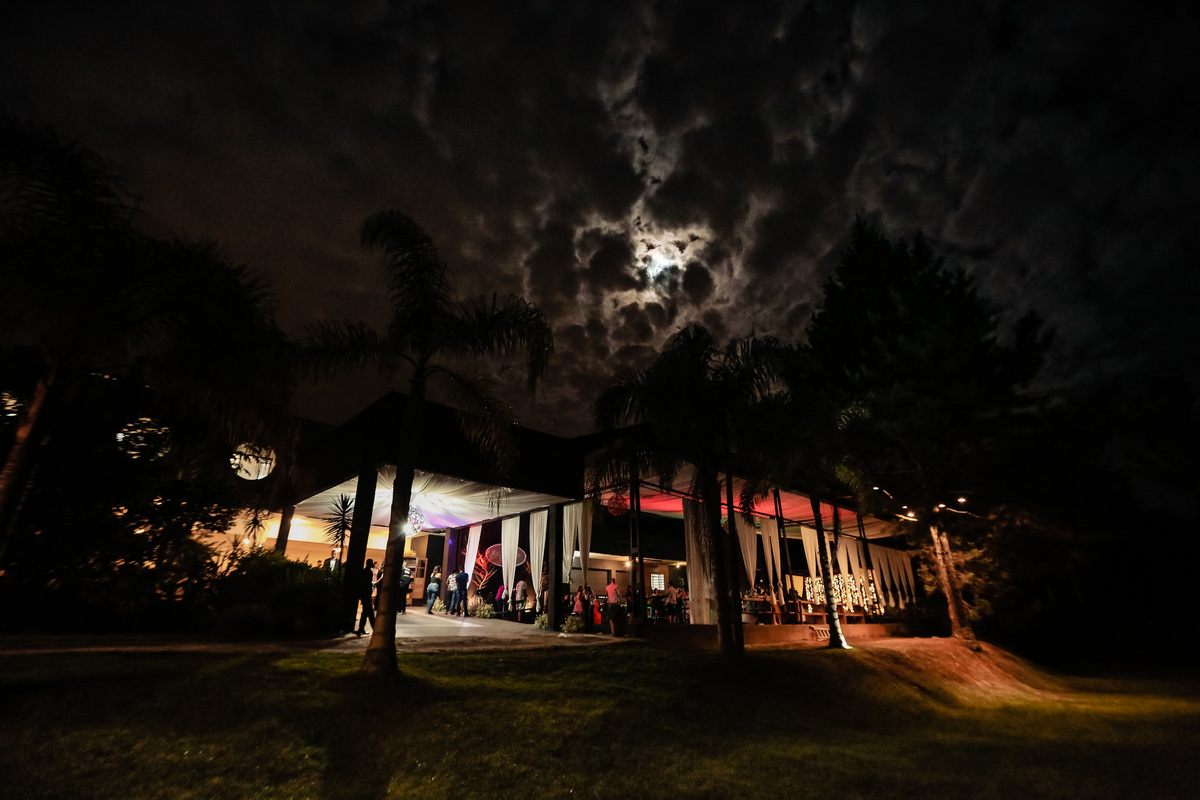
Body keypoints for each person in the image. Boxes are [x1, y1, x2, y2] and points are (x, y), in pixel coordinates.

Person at [355, 559, 376, 636]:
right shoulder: (369, 572)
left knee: (366, 612)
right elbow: (368, 584)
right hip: (367, 594)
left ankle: (361, 629)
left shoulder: (363, 571)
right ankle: (373, 629)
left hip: (363, 594)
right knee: (369, 613)